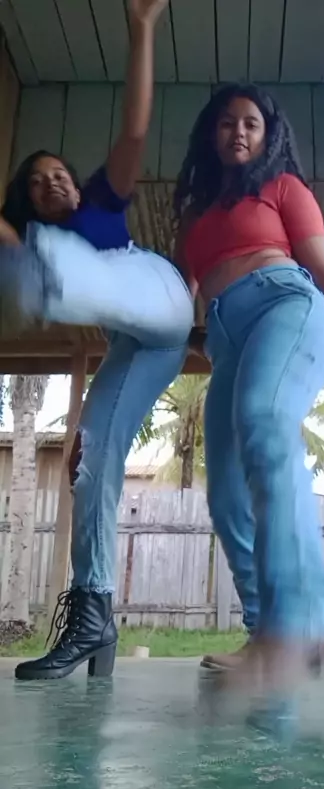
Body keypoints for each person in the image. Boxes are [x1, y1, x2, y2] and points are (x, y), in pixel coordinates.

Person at [0, 0, 194, 681]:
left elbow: (135, 128)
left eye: (59, 172)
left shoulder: (102, 200)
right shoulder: (39, 236)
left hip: (160, 296)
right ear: (29, 202)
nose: (53, 180)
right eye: (37, 182)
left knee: (40, 262)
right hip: (139, 346)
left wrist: (141, 29)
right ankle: (94, 614)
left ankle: (33, 280)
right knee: (91, 465)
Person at [174, 84, 324, 696]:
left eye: (251, 123)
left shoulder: (283, 189)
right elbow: (178, 299)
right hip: (227, 341)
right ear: (211, 134)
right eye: (227, 122)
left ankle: (296, 629)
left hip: (287, 305)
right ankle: (269, 634)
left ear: (268, 134)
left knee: (264, 422)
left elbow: (323, 268)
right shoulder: (194, 217)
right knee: (227, 492)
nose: (239, 131)